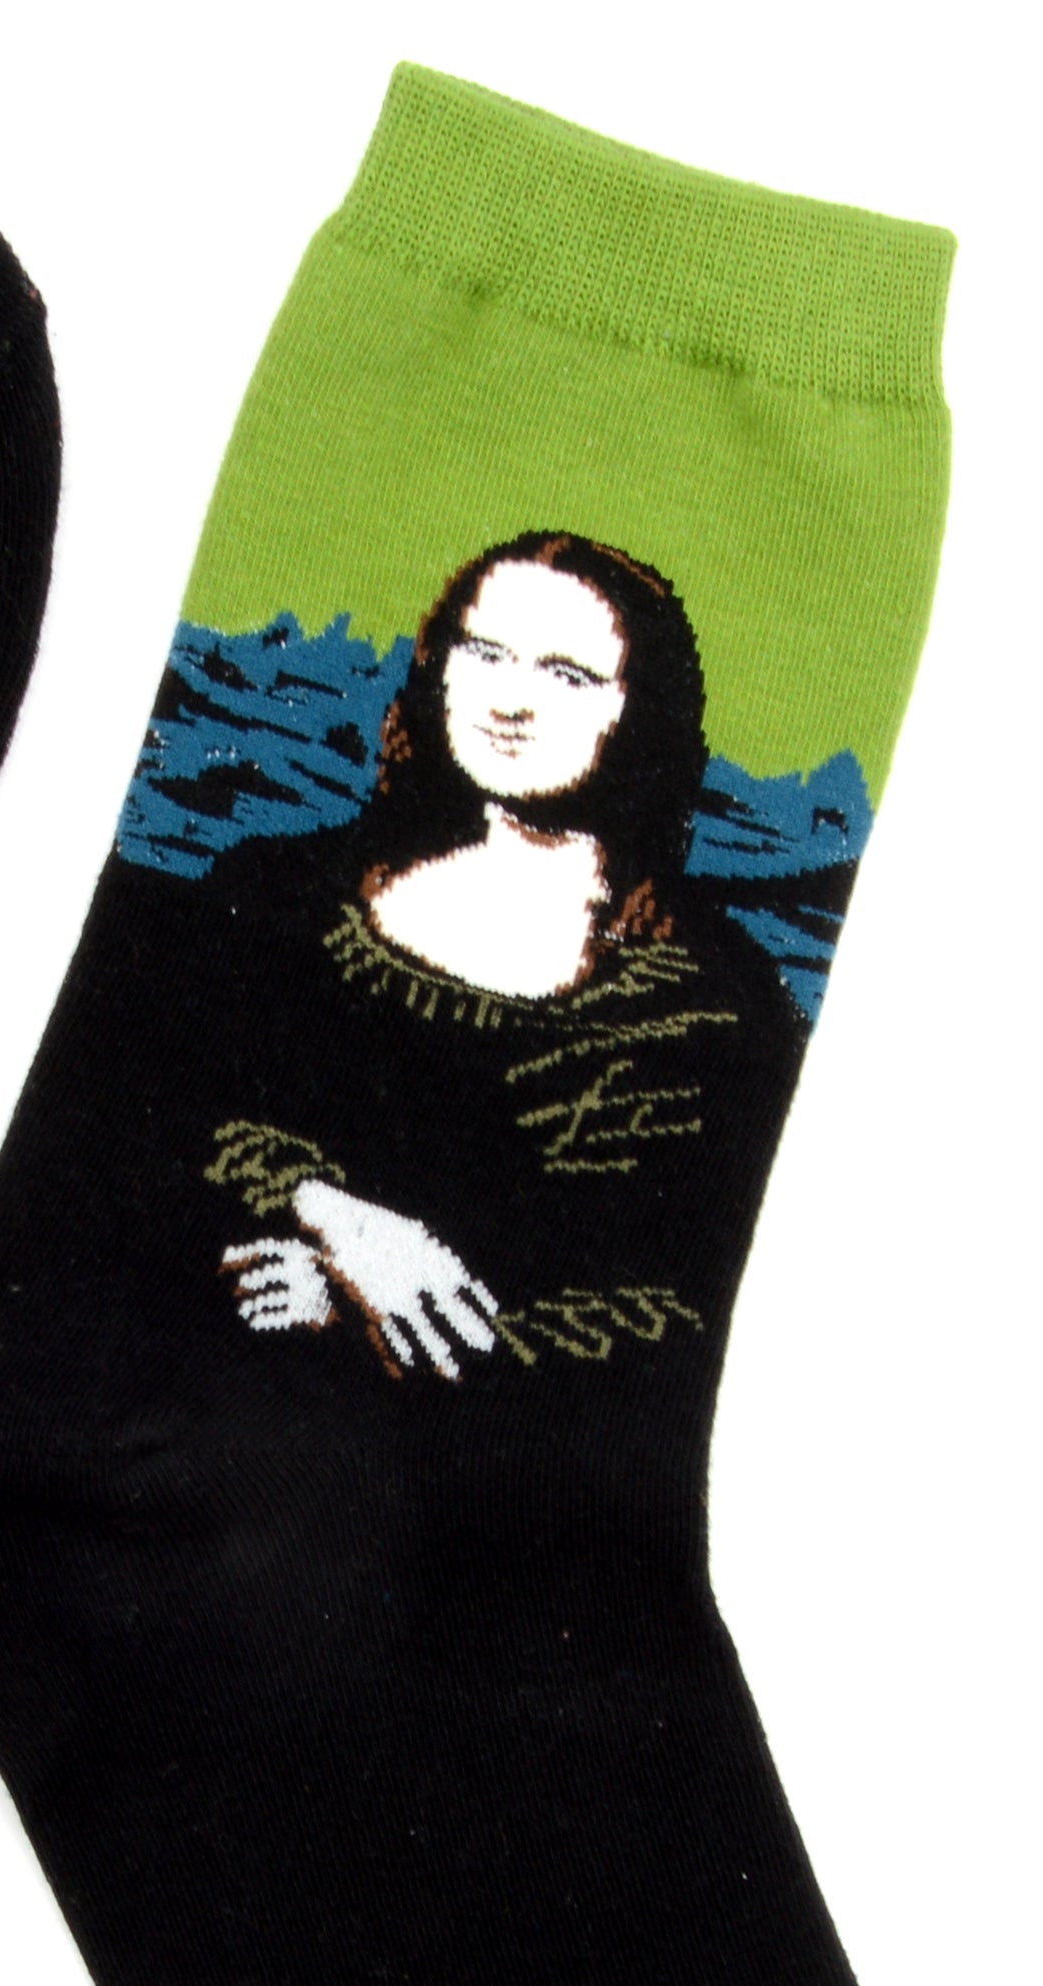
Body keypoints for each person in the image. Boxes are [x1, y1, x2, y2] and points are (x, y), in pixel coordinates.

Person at [219, 532, 755, 1383]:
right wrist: (333, 1217)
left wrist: (348, 1316)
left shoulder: (702, 1007)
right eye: (485, 653)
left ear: (638, 711)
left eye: (566, 675)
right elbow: (173, 1114)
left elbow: (657, 1314)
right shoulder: (284, 889)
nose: (510, 700)